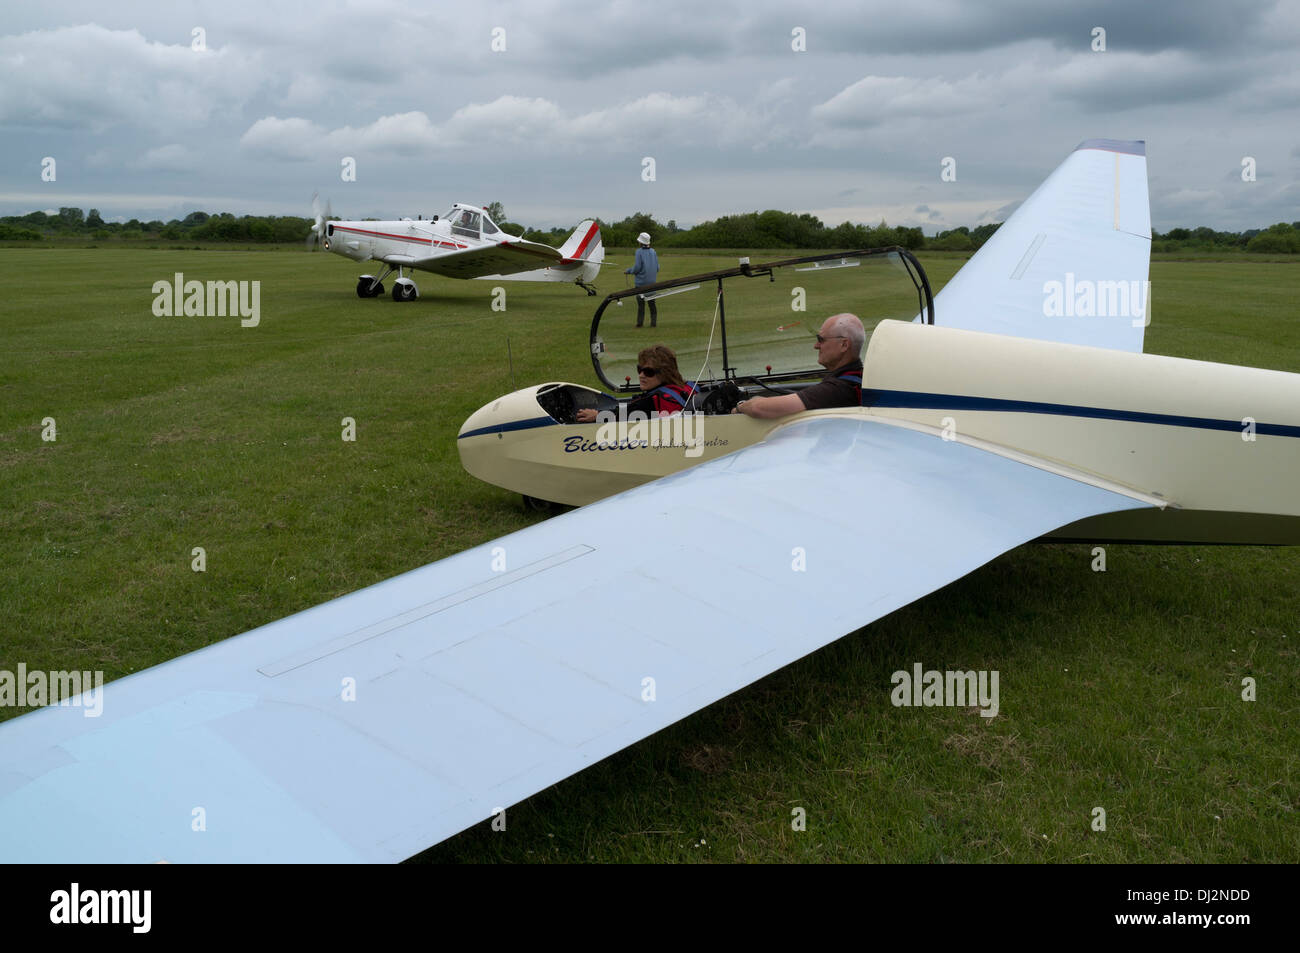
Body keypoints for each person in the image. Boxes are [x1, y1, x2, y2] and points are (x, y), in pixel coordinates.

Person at [733, 313, 864, 418]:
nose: (816, 346)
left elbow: (759, 408)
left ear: (844, 345)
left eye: (821, 340)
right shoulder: (859, 378)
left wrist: (739, 407)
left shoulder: (840, 389)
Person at [577, 345, 692, 422]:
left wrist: (596, 415)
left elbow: (622, 415)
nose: (641, 375)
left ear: (664, 374)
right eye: (639, 369)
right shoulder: (686, 387)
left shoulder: (652, 400)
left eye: (648, 372)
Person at [627, 231, 660, 328]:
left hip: (641, 283)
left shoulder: (639, 252)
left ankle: (640, 323)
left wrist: (629, 271)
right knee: (652, 304)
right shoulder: (653, 251)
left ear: (641, 242)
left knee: (641, 304)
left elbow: (637, 268)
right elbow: (658, 268)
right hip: (652, 283)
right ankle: (653, 323)